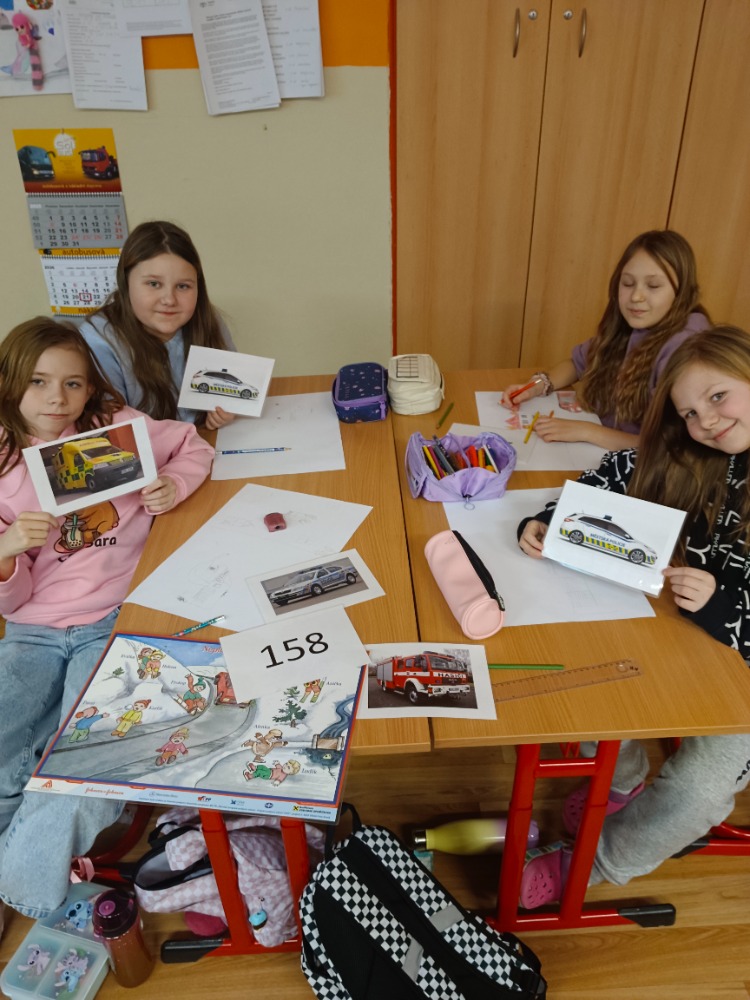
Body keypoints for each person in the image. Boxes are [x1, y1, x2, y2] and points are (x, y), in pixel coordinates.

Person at [515, 325, 750, 907]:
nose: (706, 421)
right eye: (690, 412)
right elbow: (612, 477)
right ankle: (620, 783)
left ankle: (593, 863)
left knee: (701, 787)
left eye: (718, 396)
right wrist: (551, 520)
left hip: (740, 671)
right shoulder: (693, 452)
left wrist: (724, 607)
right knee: (587, 664)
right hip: (684, 631)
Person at [0, 317, 214, 929]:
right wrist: (8, 551)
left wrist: (171, 484)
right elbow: (13, 600)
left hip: (114, 618)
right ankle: (23, 852)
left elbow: (194, 445)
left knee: (94, 758)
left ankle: (19, 884)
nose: (56, 399)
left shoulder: (113, 427)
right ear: (10, 383)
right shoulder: (4, 461)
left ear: (90, 388)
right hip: (34, 626)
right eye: (38, 382)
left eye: (72, 383)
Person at [500, 230, 711, 451]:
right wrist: (536, 386)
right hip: (604, 449)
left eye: (653, 286)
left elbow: (669, 447)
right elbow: (577, 363)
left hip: (643, 462)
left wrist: (586, 431)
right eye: (627, 283)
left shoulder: (686, 348)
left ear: (681, 291)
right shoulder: (629, 323)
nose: (636, 297)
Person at [80, 220, 236, 430]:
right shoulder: (98, 338)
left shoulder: (207, 318)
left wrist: (225, 411)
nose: (169, 300)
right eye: (153, 284)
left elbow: (230, 391)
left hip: (201, 438)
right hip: (146, 446)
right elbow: (113, 426)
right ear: (126, 283)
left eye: (183, 286)